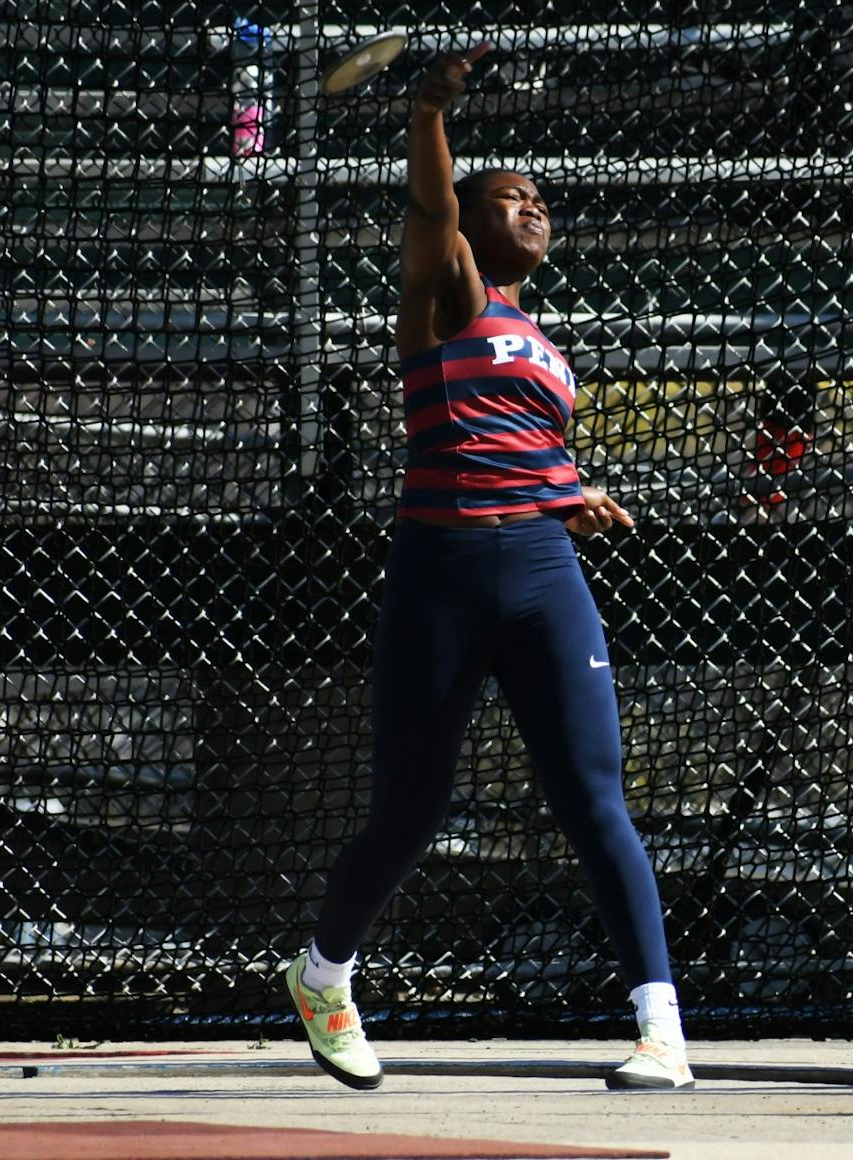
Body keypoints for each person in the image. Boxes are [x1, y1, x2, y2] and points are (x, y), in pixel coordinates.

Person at [282, 44, 693, 1092]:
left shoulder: (546, 343)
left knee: (596, 798)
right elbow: (427, 211)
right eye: (509, 199)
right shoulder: (444, 292)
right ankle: (325, 975)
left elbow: (521, 448)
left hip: (546, 569)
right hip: (444, 569)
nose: (534, 208)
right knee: (409, 813)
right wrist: (429, 111)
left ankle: (662, 1032)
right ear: (465, 223)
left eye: (541, 199)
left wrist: (573, 496)